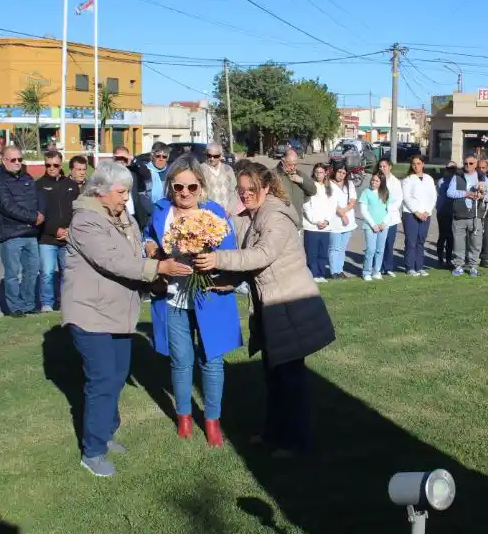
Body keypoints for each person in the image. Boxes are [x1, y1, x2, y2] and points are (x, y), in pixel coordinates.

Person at [193, 162, 335, 458]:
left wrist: (217, 260)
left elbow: (262, 254)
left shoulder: (276, 216)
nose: (244, 195)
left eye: (250, 190)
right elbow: (251, 263)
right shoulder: (252, 214)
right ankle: (274, 432)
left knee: (290, 379)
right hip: (271, 306)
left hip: (290, 305)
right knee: (274, 377)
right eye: (241, 190)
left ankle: (297, 442)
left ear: (266, 188)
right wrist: (228, 281)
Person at [61, 161, 180, 477]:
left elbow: (134, 253)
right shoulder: (85, 221)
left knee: (116, 375)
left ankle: (105, 430)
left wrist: (152, 255)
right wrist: (157, 269)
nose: (125, 199)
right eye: (121, 192)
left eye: (127, 192)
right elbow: (113, 261)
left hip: (117, 312)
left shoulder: (121, 215)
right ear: (100, 190)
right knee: (101, 380)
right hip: (90, 314)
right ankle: (93, 451)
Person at [142, 154, 241, 448]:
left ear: (201, 186)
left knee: (211, 361)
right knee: (181, 361)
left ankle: (212, 420)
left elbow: (230, 252)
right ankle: (184, 416)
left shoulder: (215, 214)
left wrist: (212, 261)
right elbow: (147, 236)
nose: (184, 193)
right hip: (173, 299)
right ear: (170, 186)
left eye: (191, 187)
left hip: (209, 297)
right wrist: (150, 247)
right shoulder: (162, 210)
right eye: (178, 187)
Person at [0, 145, 43, 317]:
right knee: (12, 274)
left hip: (30, 233)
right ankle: (15, 307)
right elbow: (7, 207)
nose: (17, 163)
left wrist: (39, 214)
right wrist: (33, 217)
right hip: (11, 234)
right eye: (13, 160)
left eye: (20, 159)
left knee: (32, 271)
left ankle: (28, 304)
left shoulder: (27, 177)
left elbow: (36, 200)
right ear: (3, 161)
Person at [37, 150, 79, 312]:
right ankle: (47, 304)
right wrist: (55, 231)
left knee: (67, 273)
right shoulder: (39, 185)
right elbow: (39, 214)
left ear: (61, 165)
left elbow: (77, 211)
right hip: (47, 238)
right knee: (47, 273)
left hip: (68, 237)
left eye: (55, 165)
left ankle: (65, 302)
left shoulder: (71, 185)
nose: (52, 168)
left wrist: (69, 230)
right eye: (48, 165)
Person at [446, 155, 488, 276]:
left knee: (475, 243)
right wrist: (466, 194)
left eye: (471, 163)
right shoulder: (457, 176)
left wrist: (483, 196)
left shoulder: (482, 177)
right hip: (459, 215)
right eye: (466, 163)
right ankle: (459, 266)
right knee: (458, 243)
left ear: (476, 164)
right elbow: (450, 193)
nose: (468, 166)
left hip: (476, 215)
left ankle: (473, 266)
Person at [400, 156, 437, 276]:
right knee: (411, 242)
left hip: (426, 215)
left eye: (418, 163)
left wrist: (427, 211)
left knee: (420, 241)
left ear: (423, 164)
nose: (416, 166)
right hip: (411, 214)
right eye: (414, 164)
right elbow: (406, 197)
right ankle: (410, 267)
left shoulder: (429, 179)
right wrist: (416, 212)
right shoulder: (407, 180)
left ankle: (420, 266)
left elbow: (433, 196)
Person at [302, 163, 335, 283]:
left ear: (325, 173)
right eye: (316, 172)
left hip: (325, 227)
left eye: (321, 172)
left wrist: (326, 221)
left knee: (323, 252)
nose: (318, 174)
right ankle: (313, 275)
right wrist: (315, 221)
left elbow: (333, 206)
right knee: (312, 253)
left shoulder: (330, 187)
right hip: (312, 226)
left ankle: (321, 274)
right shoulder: (310, 186)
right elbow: (306, 205)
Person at [326, 162, 357, 279]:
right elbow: (330, 202)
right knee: (334, 247)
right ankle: (334, 271)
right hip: (335, 220)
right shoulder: (328, 184)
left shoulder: (349, 184)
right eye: (339, 172)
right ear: (335, 171)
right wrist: (341, 214)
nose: (341, 175)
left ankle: (340, 270)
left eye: (344, 173)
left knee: (342, 248)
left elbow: (353, 199)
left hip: (348, 221)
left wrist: (345, 211)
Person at [358, 172, 390, 281]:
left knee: (380, 250)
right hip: (370, 226)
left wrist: (384, 223)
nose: (373, 182)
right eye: (373, 180)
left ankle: (377, 271)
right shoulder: (366, 192)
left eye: (377, 181)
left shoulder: (385, 193)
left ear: (381, 183)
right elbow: (363, 210)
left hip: (383, 227)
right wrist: (373, 224)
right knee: (370, 250)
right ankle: (366, 272)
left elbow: (389, 210)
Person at [112, 145, 151, 230]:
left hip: (133, 214)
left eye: (124, 158)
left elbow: (147, 174)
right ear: (114, 158)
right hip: (116, 214)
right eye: (119, 158)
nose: (122, 161)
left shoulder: (133, 172)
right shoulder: (108, 174)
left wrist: (133, 159)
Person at [376, 159, 403, 277]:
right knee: (379, 244)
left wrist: (389, 209)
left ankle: (388, 267)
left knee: (389, 243)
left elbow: (398, 198)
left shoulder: (396, 181)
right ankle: (378, 267)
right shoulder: (376, 180)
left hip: (391, 217)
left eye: (385, 166)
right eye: (380, 166)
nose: (382, 168)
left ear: (390, 167)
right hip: (379, 217)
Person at [275, 148, 316, 223]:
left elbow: (313, 191)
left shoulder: (299, 174)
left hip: (297, 223)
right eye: (290, 164)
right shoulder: (273, 175)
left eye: (295, 164)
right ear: (282, 161)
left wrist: (302, 181)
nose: (292, 168)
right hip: (280, 223)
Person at [201, 142, 238, 215]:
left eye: (215, 156)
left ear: (221, 156)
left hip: (227, 213)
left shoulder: (228, 169)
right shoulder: (201, 169)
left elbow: (233, 192)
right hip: (209, 214)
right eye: (209, 155)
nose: (212, 158)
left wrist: (229, 210)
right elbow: (200, 195)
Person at [434, 162, 457, 268]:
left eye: (453, 168)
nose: (451, 170)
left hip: (454, 212)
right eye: (449, 168)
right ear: (446, 169)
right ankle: (440, 258)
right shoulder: (441, 181)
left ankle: (448, 259)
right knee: (443, 235)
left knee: (451, 236)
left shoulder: (457, 180)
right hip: (443, 212)